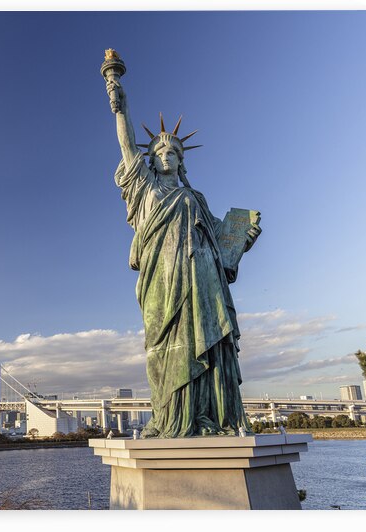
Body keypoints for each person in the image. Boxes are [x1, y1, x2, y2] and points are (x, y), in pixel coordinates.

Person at [105, 72, 260, 438]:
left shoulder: (195, 198)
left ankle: (206, 415)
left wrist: (245, 239)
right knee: (164, 347)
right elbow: (127, 147)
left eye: (172, 152)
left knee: (203, 341)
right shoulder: (145, 189)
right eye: (159, 153)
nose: (166, 156)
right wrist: (120, 107)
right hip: (161, 277)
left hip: (201, 277)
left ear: (181, 160)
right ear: (150, 160)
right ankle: (170, 417)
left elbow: (222, 246)